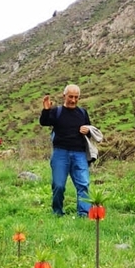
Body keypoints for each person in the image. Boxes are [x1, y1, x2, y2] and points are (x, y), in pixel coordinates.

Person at [39, 84, 92, 217]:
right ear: (64, 96)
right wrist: (46, 110)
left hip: (79, 153)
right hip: (60, 153)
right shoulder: (57, 112)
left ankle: (84, 214)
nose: (73, 100)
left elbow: (90, 132)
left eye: (76, 97)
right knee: (59, 185)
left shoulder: (82, 113)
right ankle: (57, 212)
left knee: (83, 184)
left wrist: (88, 130)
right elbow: (44, 122)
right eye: (70, 97)